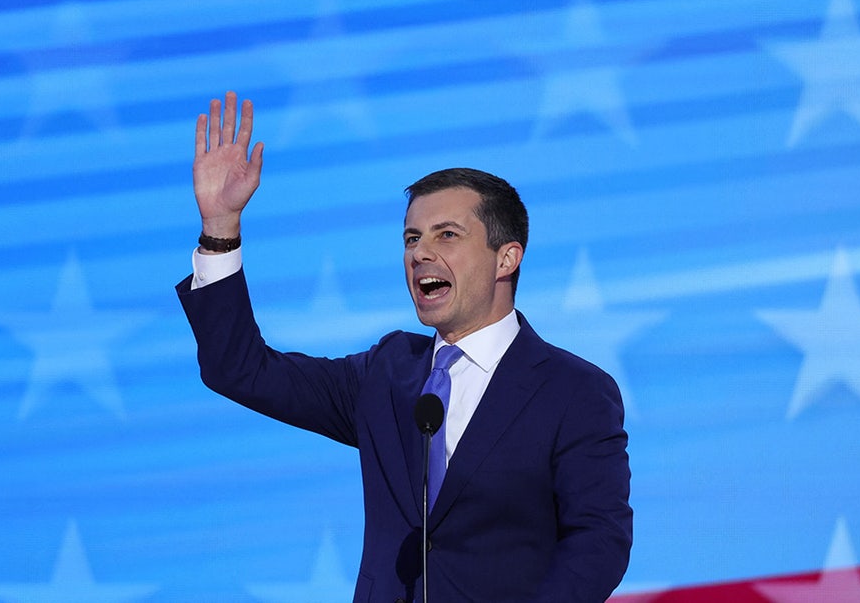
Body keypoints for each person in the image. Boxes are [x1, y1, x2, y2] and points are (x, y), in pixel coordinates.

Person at [176, 92, 633, 602]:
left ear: (506, 258)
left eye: (447, 235)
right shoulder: (387, 373)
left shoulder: (574, 391)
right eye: (411, 238)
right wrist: (220, 229)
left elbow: (599, 542)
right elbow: (240, 369)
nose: (420, 253)